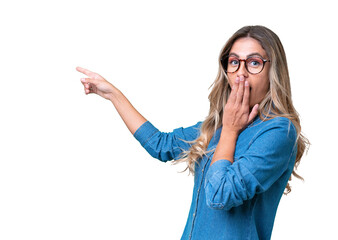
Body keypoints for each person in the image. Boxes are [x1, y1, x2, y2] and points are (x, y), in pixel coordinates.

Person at [77, 25, 309, 240]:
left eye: (254, 63)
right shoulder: (218, 125)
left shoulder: (279, 131)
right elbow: (161, 144)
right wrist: (113, 95)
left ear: (273, 70)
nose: (241, 73)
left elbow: (220, 195)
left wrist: (230, 130)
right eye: (234, 62)